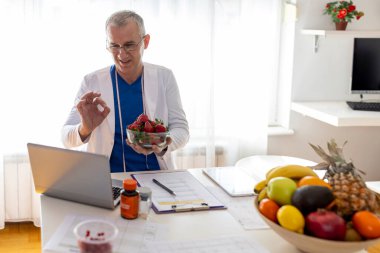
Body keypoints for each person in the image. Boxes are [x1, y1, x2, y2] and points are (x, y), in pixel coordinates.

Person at [62, 10, 189, 172]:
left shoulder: (164, 77)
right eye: (114, 46)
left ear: (146, 41)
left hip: (157, 177)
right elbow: (66, 138)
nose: (122, 54)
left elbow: (182, 130)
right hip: (108, 180)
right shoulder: (92, 81)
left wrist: (163, 142)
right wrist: (85, 128)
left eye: (129, 45)